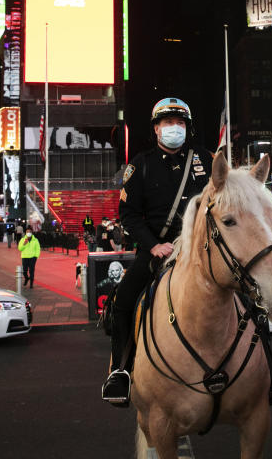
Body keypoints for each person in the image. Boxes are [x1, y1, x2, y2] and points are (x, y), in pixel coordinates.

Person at [102, 97, 213, 406]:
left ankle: (268, 372)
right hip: (157, 252)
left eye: (179, 123)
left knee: (246, 295)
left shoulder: (207, 159)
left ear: (187, 128)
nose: (173, 128)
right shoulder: (140, 164)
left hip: (200, 250)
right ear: (155, 128)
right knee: (123, 301)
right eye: (167, 123)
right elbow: (128, 215)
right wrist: (153, 245)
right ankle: (120, 370)